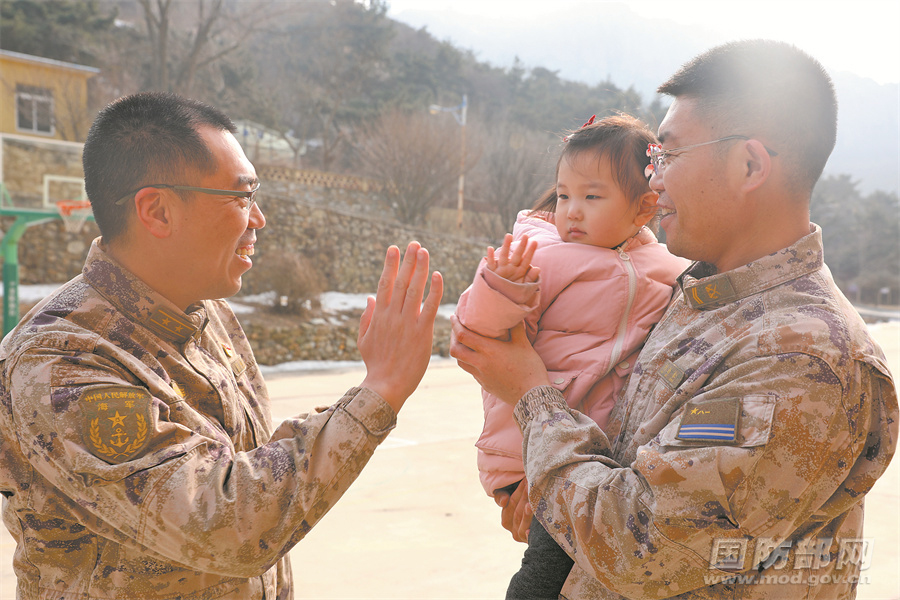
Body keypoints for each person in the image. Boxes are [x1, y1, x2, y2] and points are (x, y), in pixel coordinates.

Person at [451, 39, 898, 599]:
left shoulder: (804, 358)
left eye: (668, 156)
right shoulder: (705, 293)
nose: (652, 181)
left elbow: (640, 545)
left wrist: (531, 398)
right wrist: (547, 487)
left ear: (750, 164)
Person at [0, 91, 443, 600]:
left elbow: (249, 463)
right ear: (158, 211)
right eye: (242, 196)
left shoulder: (204, 313)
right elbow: (224, 522)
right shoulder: (62, 361)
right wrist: (377, 393)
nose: (258, 219)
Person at [455, 114, 688, 599]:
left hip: (591, 452)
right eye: (563, 195)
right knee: (546, 572)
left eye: (591, 196)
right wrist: (502, 286)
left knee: (577, 559)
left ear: (644, 208)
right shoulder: (540, 255)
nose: (572, 212)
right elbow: (476, 332)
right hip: (524, 447)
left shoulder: (664, 266)